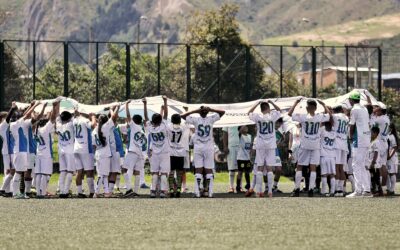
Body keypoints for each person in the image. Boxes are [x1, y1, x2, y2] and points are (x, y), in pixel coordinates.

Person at [288, 98, 331, 197]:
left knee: (299, 166)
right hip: (315, 145)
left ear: (307, 108)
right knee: (313, 168)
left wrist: (296, 103)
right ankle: (311, 189)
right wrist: (323, 104)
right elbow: (329, 116)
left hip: (305, 145)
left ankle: (297, 189)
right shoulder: (319, 116)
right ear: (316, 108)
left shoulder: (303, 117)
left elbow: (290, 114)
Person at [181, 106, 225, 198]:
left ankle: (197, 193)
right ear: (207, 112)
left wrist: (196, 110)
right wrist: (211, 109)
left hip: (198, 147)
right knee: (209, 170)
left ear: (200, 112)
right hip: (209, 147)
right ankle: (210, 193)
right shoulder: (211, 119)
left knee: (198, 170)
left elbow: (183, 116)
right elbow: (222, 112)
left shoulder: (196, 120)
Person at [248, 99, 282, 198]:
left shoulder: (258, 117)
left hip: (260, 145)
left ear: (261, 109)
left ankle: (259, 192)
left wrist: (257, 103)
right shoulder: (272, 117)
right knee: (270, 168)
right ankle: (270, 191)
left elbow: (249, 113)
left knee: (260, 167)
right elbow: (279, 111)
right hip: (271, 145)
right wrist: (272, 102)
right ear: (268, 108)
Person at [10, 101, 43, 199]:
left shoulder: (19, 124)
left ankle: (20, 193)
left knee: (20, 172)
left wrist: (32, 106)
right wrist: (35, 105)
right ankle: (15, 193)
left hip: (22, 151)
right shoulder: (14, 124)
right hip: (19, 151)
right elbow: (27, 115)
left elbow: (28, 116)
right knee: (18, 172)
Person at [144, 96, 170, 198]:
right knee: (163, 173)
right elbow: (166, 115)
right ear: (160, 121)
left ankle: (153, 191)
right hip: (164, 152)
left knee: (154, 172)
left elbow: (146, 117)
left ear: (152, 121)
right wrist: (165, 101)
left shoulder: (150, 127)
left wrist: (145, 104)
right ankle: (163, 192)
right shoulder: (164, 126)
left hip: (154, 152)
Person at [347, 91, 372, 198]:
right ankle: (366, 190)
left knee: (356, 165)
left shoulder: (354, 109)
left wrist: (350, 136)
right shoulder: (364, 108)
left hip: (359, 139)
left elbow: (352, 125)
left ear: (351, 100)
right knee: (362, 165)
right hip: (366, 138)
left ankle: (358, 191)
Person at [92, 106, 119, 198]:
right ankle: (96, 192)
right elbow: (114, 117)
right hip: (105, 153)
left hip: (98, 153)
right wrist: (114, 108)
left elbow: (93, 145)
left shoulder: (94, 131)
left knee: (103, 174)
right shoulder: (106, 127)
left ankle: (106, 192)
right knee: (102, 174)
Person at [122, 100, 147, 197]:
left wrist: (126, 104)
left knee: (124, 169)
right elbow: (145, 118)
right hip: (140, 153)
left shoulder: (133, 126)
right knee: (137, 172)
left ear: (134, 120)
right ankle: (136, 192)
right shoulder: (142, 128)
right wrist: (145, 104)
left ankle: (128, 189)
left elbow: (128, 116)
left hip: (132, 151)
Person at [34, 101, 58, 198]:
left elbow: (37, 118)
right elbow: (52, 118)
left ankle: (38, 192)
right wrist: (54, 106)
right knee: (44, 174)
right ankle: (42, 193)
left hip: (38, 153)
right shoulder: (45, 130)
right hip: (46, 154)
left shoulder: (36, 130)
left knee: (38, 174)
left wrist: (43, 107)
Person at [73, 110, 97, 198]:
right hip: (85, 148)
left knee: (79, 171)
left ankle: (79, 192)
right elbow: (93, 125)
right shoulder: (85, 120)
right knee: (89, 171)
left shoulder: (75, 120)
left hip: (76, 148)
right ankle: (92, 192)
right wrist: (93, 116)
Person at [369, 101, 390, 194]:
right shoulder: (387, 118)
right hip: (385, 142)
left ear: (381, 110)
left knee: (378, 166)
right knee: (383, 165)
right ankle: (384, 188)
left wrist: (372, 111)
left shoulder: (379, 120)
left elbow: (371, 126)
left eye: (377, 108)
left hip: (380, 143)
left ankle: (379, 188)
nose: (375, 109)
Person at [167, 113, 190, 198]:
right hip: (181, 152)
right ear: (180, 120)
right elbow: (187, 122)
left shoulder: (168, 127)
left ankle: (171, 189)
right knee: (180, 172)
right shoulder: (183, 127)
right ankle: (179, 189)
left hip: (171, 152)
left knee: (171, 172)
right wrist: (186, 110)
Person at [56, 110, 75, 198]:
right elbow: (74, 118)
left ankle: (61, 190)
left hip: (61, 150)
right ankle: (66, 191)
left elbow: (57, 117)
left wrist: (56, 104)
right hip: (69, 150)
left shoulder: (58, 125)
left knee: (63, 171)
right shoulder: (71, 124)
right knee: (70, 171)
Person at [0, 102, 18, 197]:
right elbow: (7, 118)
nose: (9, 120)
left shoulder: (4, 127)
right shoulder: (3, 126)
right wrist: (13, 108)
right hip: (9, 151)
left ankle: (7, 191)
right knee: (13, 171)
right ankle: (2, 189)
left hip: (5, 151)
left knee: (7, 171)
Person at [332, 105, 349, 197]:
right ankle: (341, 189)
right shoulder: (346, 117)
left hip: (337, 144)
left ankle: (337, 189)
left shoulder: (335, 116)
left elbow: (329, 116)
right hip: (344, 145)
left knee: (336, 167)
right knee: (341, 168)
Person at [320, 121, 336, 197]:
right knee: (332, 175)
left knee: (324, 174)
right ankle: (332, 191)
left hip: (324, 155)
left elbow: (319, 126)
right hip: (332, 156)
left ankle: (324, 191)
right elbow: (332, 126)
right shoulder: (334, 133)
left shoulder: (323, 132)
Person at [223, 126, 240, 193]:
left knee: (240, 169)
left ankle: (239, 186)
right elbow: (225, 133)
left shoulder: (241, 118)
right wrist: (225, 146)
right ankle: (231, 187)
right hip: (231, 146)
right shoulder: (227, 119)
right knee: (231, 168)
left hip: (240, 146)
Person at [236, 125, 252, 192]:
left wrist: (250, 157)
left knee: (247, 172)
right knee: (240, 172)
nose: (246, 127)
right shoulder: (240, 136)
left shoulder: (250, 136)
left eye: (246, 126)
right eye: (244, 127)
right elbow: (239, 132)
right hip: (241, 158)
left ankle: (248, 186)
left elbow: (250, 147)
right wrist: (243, 123)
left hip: (247, 158)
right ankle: (238, 187)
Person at [367, 126, 381, 196]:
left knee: (376, 178)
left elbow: (376, 153)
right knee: (372, 178)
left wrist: (373, 162)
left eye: (371, 133)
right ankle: (374, 191)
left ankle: (379, 192)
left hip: (375, 164)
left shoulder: (376, 142)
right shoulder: (371, 141)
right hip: (371, 163)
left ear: (375, 133)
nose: (371, 134)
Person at [386, 123, 398, 195]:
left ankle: (392, 189)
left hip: (391, 157)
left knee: (392, 173)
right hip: (386, 157)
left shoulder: (392, 136)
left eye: (388, 127)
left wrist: (390, 156)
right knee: (387, 173)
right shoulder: (386, 135)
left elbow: (394, 147)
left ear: (391, 128)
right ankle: (388, 189)